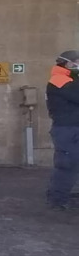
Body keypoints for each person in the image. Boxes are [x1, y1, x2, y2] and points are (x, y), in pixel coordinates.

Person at [46, 50, 79, 209]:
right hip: (67, 130)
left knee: (73, 164)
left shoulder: (70, 79)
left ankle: (62, 195)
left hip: (72, 128)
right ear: (68, 63)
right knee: (67, 165)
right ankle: (58, 199)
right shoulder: (59, 79)